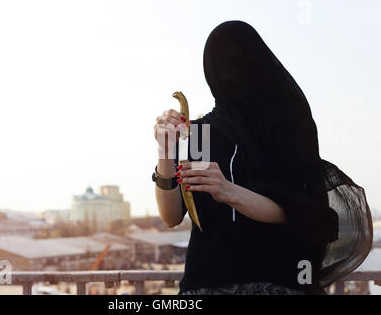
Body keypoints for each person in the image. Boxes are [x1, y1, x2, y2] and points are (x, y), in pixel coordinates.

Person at [153, 21, 372, 295]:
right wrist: (165, 151)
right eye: (219, 65)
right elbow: (172, 216)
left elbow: (301, 211)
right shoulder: (203, 132)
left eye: (238, 61)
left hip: (275, 281)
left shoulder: (289, 125)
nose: (230, 73)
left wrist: (229, 191)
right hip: (206, 284)